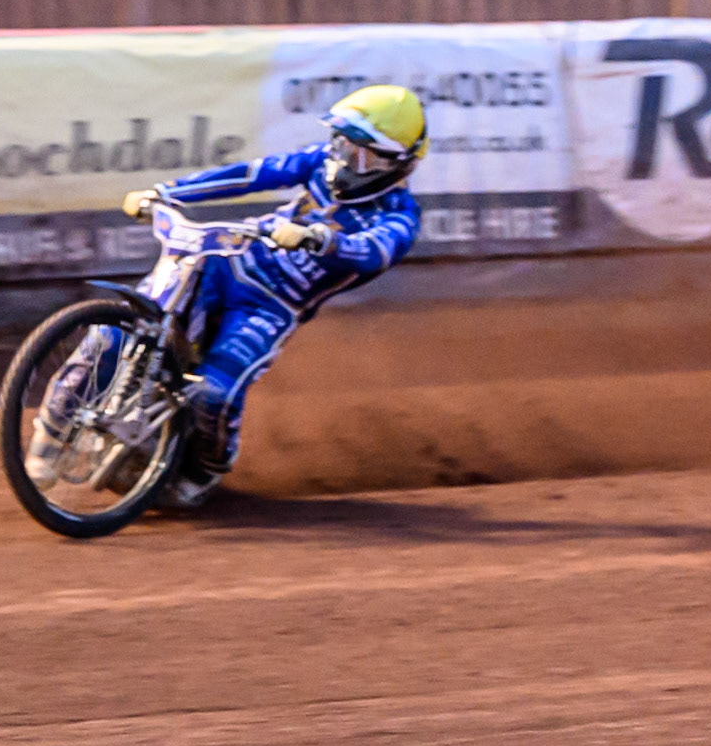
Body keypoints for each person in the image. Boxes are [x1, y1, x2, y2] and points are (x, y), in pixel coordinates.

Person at [25, 84, 428, 508]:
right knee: (121, 330)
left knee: (216, 392)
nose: (341, 158)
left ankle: (202, 471)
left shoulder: (399, 216)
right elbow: (252, 175)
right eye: (340, 142)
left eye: (358, 152)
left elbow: (373, 251)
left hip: (271, 306)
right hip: (226, 261)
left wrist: (317, 237)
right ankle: (54, 424)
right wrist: (167, 192)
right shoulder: (317, 163)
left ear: (393, 164)